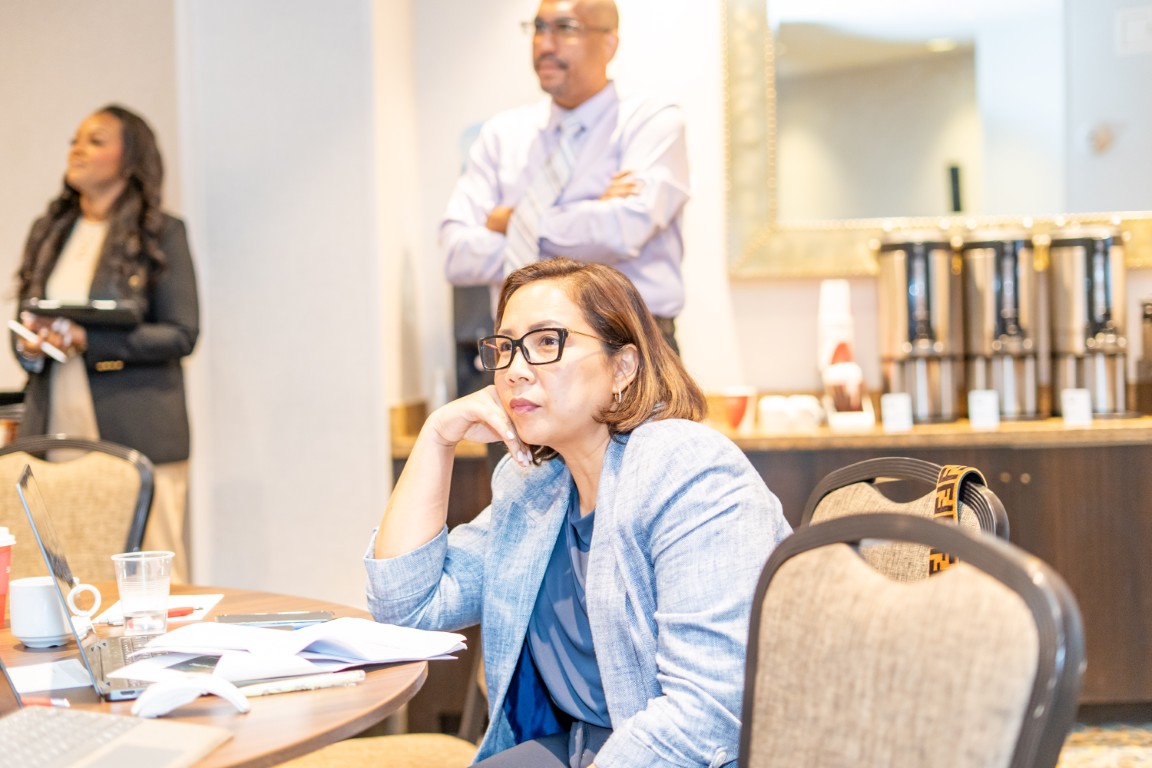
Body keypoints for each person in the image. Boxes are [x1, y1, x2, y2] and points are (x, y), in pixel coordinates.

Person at [366, 258, 790, 767]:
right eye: (506, 348)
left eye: (547, 342)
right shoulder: (534, 486)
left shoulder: (685, 469)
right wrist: (437, 437)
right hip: (575, 748)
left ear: (622, 367)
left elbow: (707, 713)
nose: (515, 370)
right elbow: (408, 606)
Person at [11, 105, 200, 582]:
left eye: (95, 140)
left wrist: (88, 340)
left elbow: (181, 333)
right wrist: (31, 346)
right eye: (75, 140)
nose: (77, 150)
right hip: (56, 418)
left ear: (130, 157)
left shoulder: (162, 233)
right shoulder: (50, 231)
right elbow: (26, 316)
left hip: (137, 424)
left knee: (154, 574)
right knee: (63, 568)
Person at [442, 0, 690, 352]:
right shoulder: (502, 134)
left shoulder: (651, 121)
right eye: (539, 28)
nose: (545, 43)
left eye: (565, 28)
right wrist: (587, 215)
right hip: (519, 348)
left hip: (630, 344)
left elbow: (622, 230)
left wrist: (511, 222)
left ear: (609, 43)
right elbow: (457, 254)